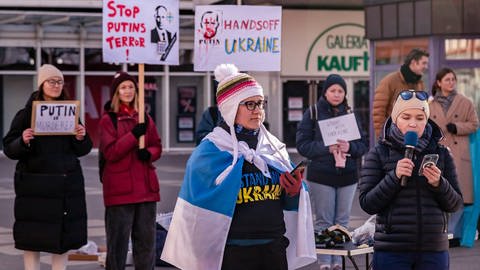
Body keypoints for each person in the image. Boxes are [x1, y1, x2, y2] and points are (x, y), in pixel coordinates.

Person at [161, 64, 316, 270]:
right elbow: (197, 211)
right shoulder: (210, 150)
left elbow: (285, 198)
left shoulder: (273, 147)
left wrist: (294, 192)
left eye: (260, 103)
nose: (258, 111)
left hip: (273, 248)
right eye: (250, 104)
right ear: (231, 107)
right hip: (232, 252)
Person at [359, 90, 463, 270]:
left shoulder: (442, 153)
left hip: (433, 249)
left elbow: (455, 204)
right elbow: (367, 203)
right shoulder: (378, 153)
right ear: (395, 118)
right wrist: (394, 177)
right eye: (406, 117)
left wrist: (440, 184)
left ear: (427, 120)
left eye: (420, 118)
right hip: (392, 249)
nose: (413, 123)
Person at [2, 64, 92, 270]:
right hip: (35, 188)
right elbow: (9, 147)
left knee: (62, 240)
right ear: (42, 84)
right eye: (51, 81)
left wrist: (81, 137)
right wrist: (22, 141)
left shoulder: (70, 112)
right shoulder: (25, 114)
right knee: (32, 239)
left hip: (64, 187)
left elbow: (83, 148)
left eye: (59, 81)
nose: (56, 85)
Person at [296, 74, 368, 270]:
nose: (336, 94)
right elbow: (302, 145)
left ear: (345, 93)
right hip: (321, 176)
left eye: (340, 91)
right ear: (325, 92)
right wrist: (326, 148)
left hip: (348, 175)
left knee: (342, 222)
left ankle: (339, 262)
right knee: (324, 222)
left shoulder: (350, 114)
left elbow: (363, 145)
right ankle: (325, 263)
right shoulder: (313, 113)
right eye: (333, 90)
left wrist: (350, 148)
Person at [99, 72, 162, 270]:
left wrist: (149, 153)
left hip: (145, 191)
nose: (128, 91)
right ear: (116, 92)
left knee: (146, 247)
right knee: (117, 248)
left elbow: (157, 145)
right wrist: (134, 135)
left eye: (131, 87)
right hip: (120, 193)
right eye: (123, 87)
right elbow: (111, 153)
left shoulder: (144, 117)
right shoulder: (108, 120)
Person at [429, 67, 479, 245]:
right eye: (447, 79)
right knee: (439, 192)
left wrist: (457, 127)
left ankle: (455, 235)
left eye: (453, 79)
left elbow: (474, 124)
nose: (451, 82)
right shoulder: (430, 104)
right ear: (439, 83)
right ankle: (440, 233)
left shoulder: (465, 102)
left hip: (459, 153)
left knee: (459, 195)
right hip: (439, 152)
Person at [373, 48, 429, 138]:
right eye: (424, 63)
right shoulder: (390, 81)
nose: (426, 67)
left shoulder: (419, 83)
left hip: (414, 136)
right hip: (393, 136)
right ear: (414, 62)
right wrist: (383, 136)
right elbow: (378, 112)